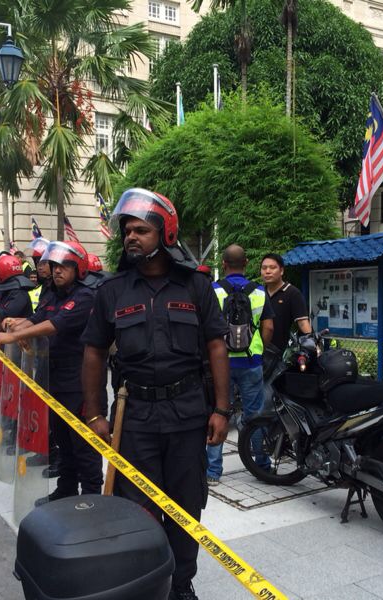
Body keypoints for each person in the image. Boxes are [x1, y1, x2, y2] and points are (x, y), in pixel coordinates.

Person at [81, 188, 230, 600]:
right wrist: (94, 414)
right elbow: (93, 351)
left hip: (187, 416)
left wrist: (222, 408)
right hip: (135, 419)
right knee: (140, 508)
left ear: (165, 233)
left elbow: (217, 345)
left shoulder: (195, 286)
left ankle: (181, 586)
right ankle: (150, 585)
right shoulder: (111, 290)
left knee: (185, 508)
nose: (130, 237)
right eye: (127, 230)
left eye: (141, 230)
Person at [0, 241, 104, 502]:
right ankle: (66, 489)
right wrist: (18, 323)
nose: (56, 271)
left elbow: (54, 325)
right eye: (54, 266)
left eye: (64, 266)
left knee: (83, 444)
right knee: (63, 440)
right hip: (53, 378)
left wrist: (15, 336)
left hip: (80, 382)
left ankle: (91, 498)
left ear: (77, 268)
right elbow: (38, 318)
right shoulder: (51, 294)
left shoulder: (85, 296)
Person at [206, 245, 274, 486]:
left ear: (223, 264)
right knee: (254, 414)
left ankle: (213, 471)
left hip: (219, 364)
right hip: (251, 362)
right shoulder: (259, 292)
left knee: (218, 412)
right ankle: (261, 464)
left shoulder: (212, 291)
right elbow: (268, 327)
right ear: (246, 263)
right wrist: (258, 349)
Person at [260, 253, 311, 352]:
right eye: (264, 268)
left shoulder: (293, 293)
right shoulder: (259, 293)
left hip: (284, 354)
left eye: (272, 267)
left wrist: (311, 343)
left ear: (281, 271)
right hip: (260, 352)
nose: (267, 271)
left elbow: (303, 323)